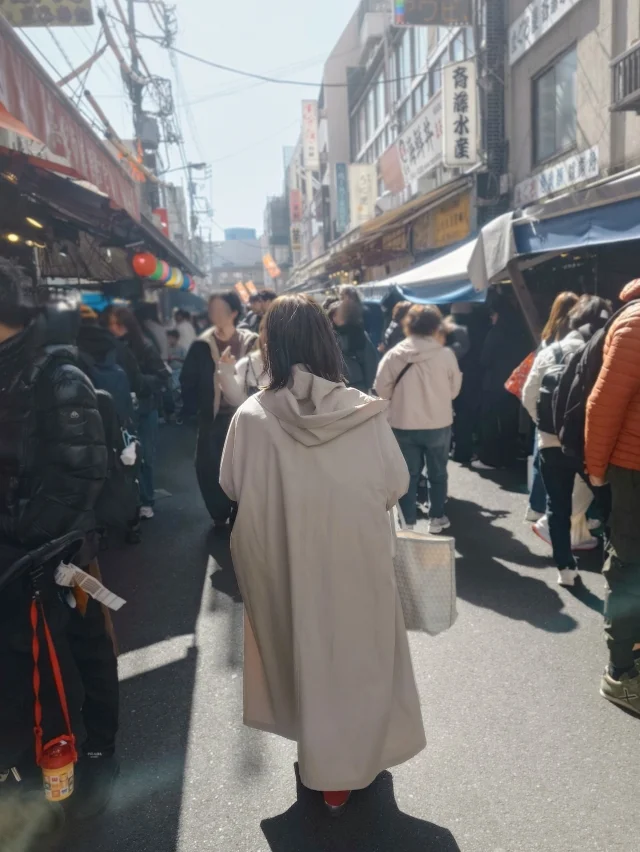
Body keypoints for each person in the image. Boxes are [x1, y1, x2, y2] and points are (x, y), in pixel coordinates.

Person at [219, 294, 425, 814]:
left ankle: (324, 768)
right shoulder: (362, 411)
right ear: (324, 341)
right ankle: (358, 757)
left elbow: (230, 486)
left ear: (271, 345)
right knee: (359, 656)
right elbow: (396, 483)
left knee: (304, 653)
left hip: (285, 562)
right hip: (357, 559)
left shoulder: (251, 417)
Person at [0, 263, 111, 811]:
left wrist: (24, 542)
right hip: (18, 552)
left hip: (48, 556)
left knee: (65, 652)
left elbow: (81, 473)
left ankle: (76, 755)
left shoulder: (56, 376)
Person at [522, 296, 611, 587]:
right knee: (606, 502)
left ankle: (566, 570)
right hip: (588, 444)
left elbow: (527, 394)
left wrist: (544, 425)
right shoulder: (602, 352)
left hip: (549, 442)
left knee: (556, 506)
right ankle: (613, 566)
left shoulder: (552, 351)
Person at [585, 280, 640, 715]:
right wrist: (599, 471)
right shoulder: (634, 323)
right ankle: (620, 673)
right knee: (630, 564)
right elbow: (602, 406)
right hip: (633, 468)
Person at [375, 304, 462, 534]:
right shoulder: (445, 355)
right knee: (438, 472)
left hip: (403, 423)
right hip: (438, 423)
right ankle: (436, 517)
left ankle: (408, 523)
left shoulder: (395, 354)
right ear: (436, 327)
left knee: (407, 475)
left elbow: (380, 389)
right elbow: (454, 390)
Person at [180, 291, 258, 527]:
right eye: (212, 309)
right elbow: (187, 380)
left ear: (234, 313)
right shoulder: (202, 345)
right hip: (212, 418)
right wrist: (195, 410)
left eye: (220, 310)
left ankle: (243, 511)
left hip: (247, 419)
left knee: (246, 467)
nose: (215, 314)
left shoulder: (251, 342)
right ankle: (218, 512)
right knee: (209, 467)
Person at [106, 307, 170, 519]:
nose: (113, 328)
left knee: (145, 458)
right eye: (110, 324)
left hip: (144, 409)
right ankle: (129, 501)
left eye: (118, 324)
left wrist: (138, 383)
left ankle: (146, 500)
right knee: (122, 458)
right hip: (120, 412)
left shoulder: (145, 347)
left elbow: (162, 377)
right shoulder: (106, 348)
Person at [526, 292, 579, 522]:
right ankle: (570, 513)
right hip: (571, 409)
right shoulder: (581, 337)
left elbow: (533, 382)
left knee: (542, 460)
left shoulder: (548, 337)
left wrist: (537, 416)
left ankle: (536, 507)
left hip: (545, 408)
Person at [476, 295, 529, 469]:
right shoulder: (520, 331)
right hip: (513, 383)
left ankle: (490, 458)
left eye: (493, 314)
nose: (491, 317)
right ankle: (509, 457)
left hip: (493, 384)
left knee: (490, 420)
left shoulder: (495, 332)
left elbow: (485, 359)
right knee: (509, 422)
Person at [328, 300, 378, 393]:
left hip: (357, 383)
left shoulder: (358, 333)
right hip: (334, 384)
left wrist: (370, 384)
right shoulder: (326, 335)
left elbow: (369, 360)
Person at [217, 329, 267, 406]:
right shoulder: (247, 364)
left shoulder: (291, 365)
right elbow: (237, 400)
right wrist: (226, 371)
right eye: (263, 329)